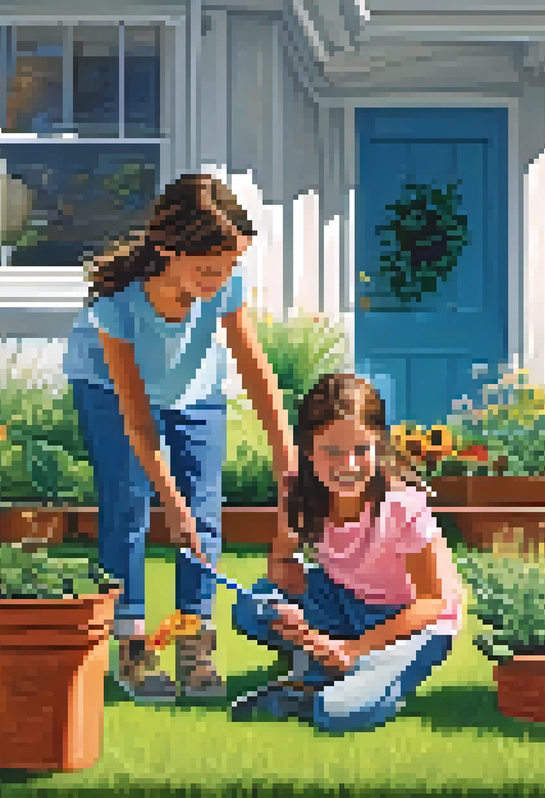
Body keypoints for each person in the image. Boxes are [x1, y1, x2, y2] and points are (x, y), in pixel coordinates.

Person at [63, 173, 295, 702]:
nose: (222, 278)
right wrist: (171, 505)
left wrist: (288, 457)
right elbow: (140, 423)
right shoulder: (117, 307)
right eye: (210, 268)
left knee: (205, 513)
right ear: (168, 249)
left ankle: (194, 640)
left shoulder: (222, 283)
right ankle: (133, 648)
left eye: (231, 266)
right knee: (128, 507)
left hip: (193, 386)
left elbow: (254, 368)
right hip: (110, 390)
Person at [230, 373, 465, 733]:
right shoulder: (301, 493)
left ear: (379, 445)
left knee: (339, 712)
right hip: (343, 601)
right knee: (254, 604)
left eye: (361, 449)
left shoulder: (402, 505)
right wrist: (293, 617)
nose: (349, 464)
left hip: (414, 622)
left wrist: (354, 649)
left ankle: (317, 685)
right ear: (308, 450)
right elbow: (282, 570)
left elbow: (433, 601)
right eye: (332, 451)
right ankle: (326, 664)